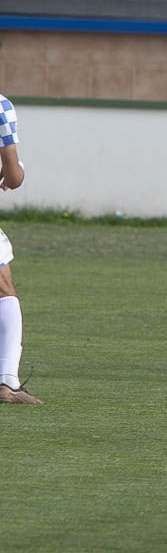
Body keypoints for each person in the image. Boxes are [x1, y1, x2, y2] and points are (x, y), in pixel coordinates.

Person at [0, 95, 40, 405]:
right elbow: (13, 176)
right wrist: (16, 172)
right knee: (4, 291)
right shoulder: (1, 106)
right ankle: (7, 383)